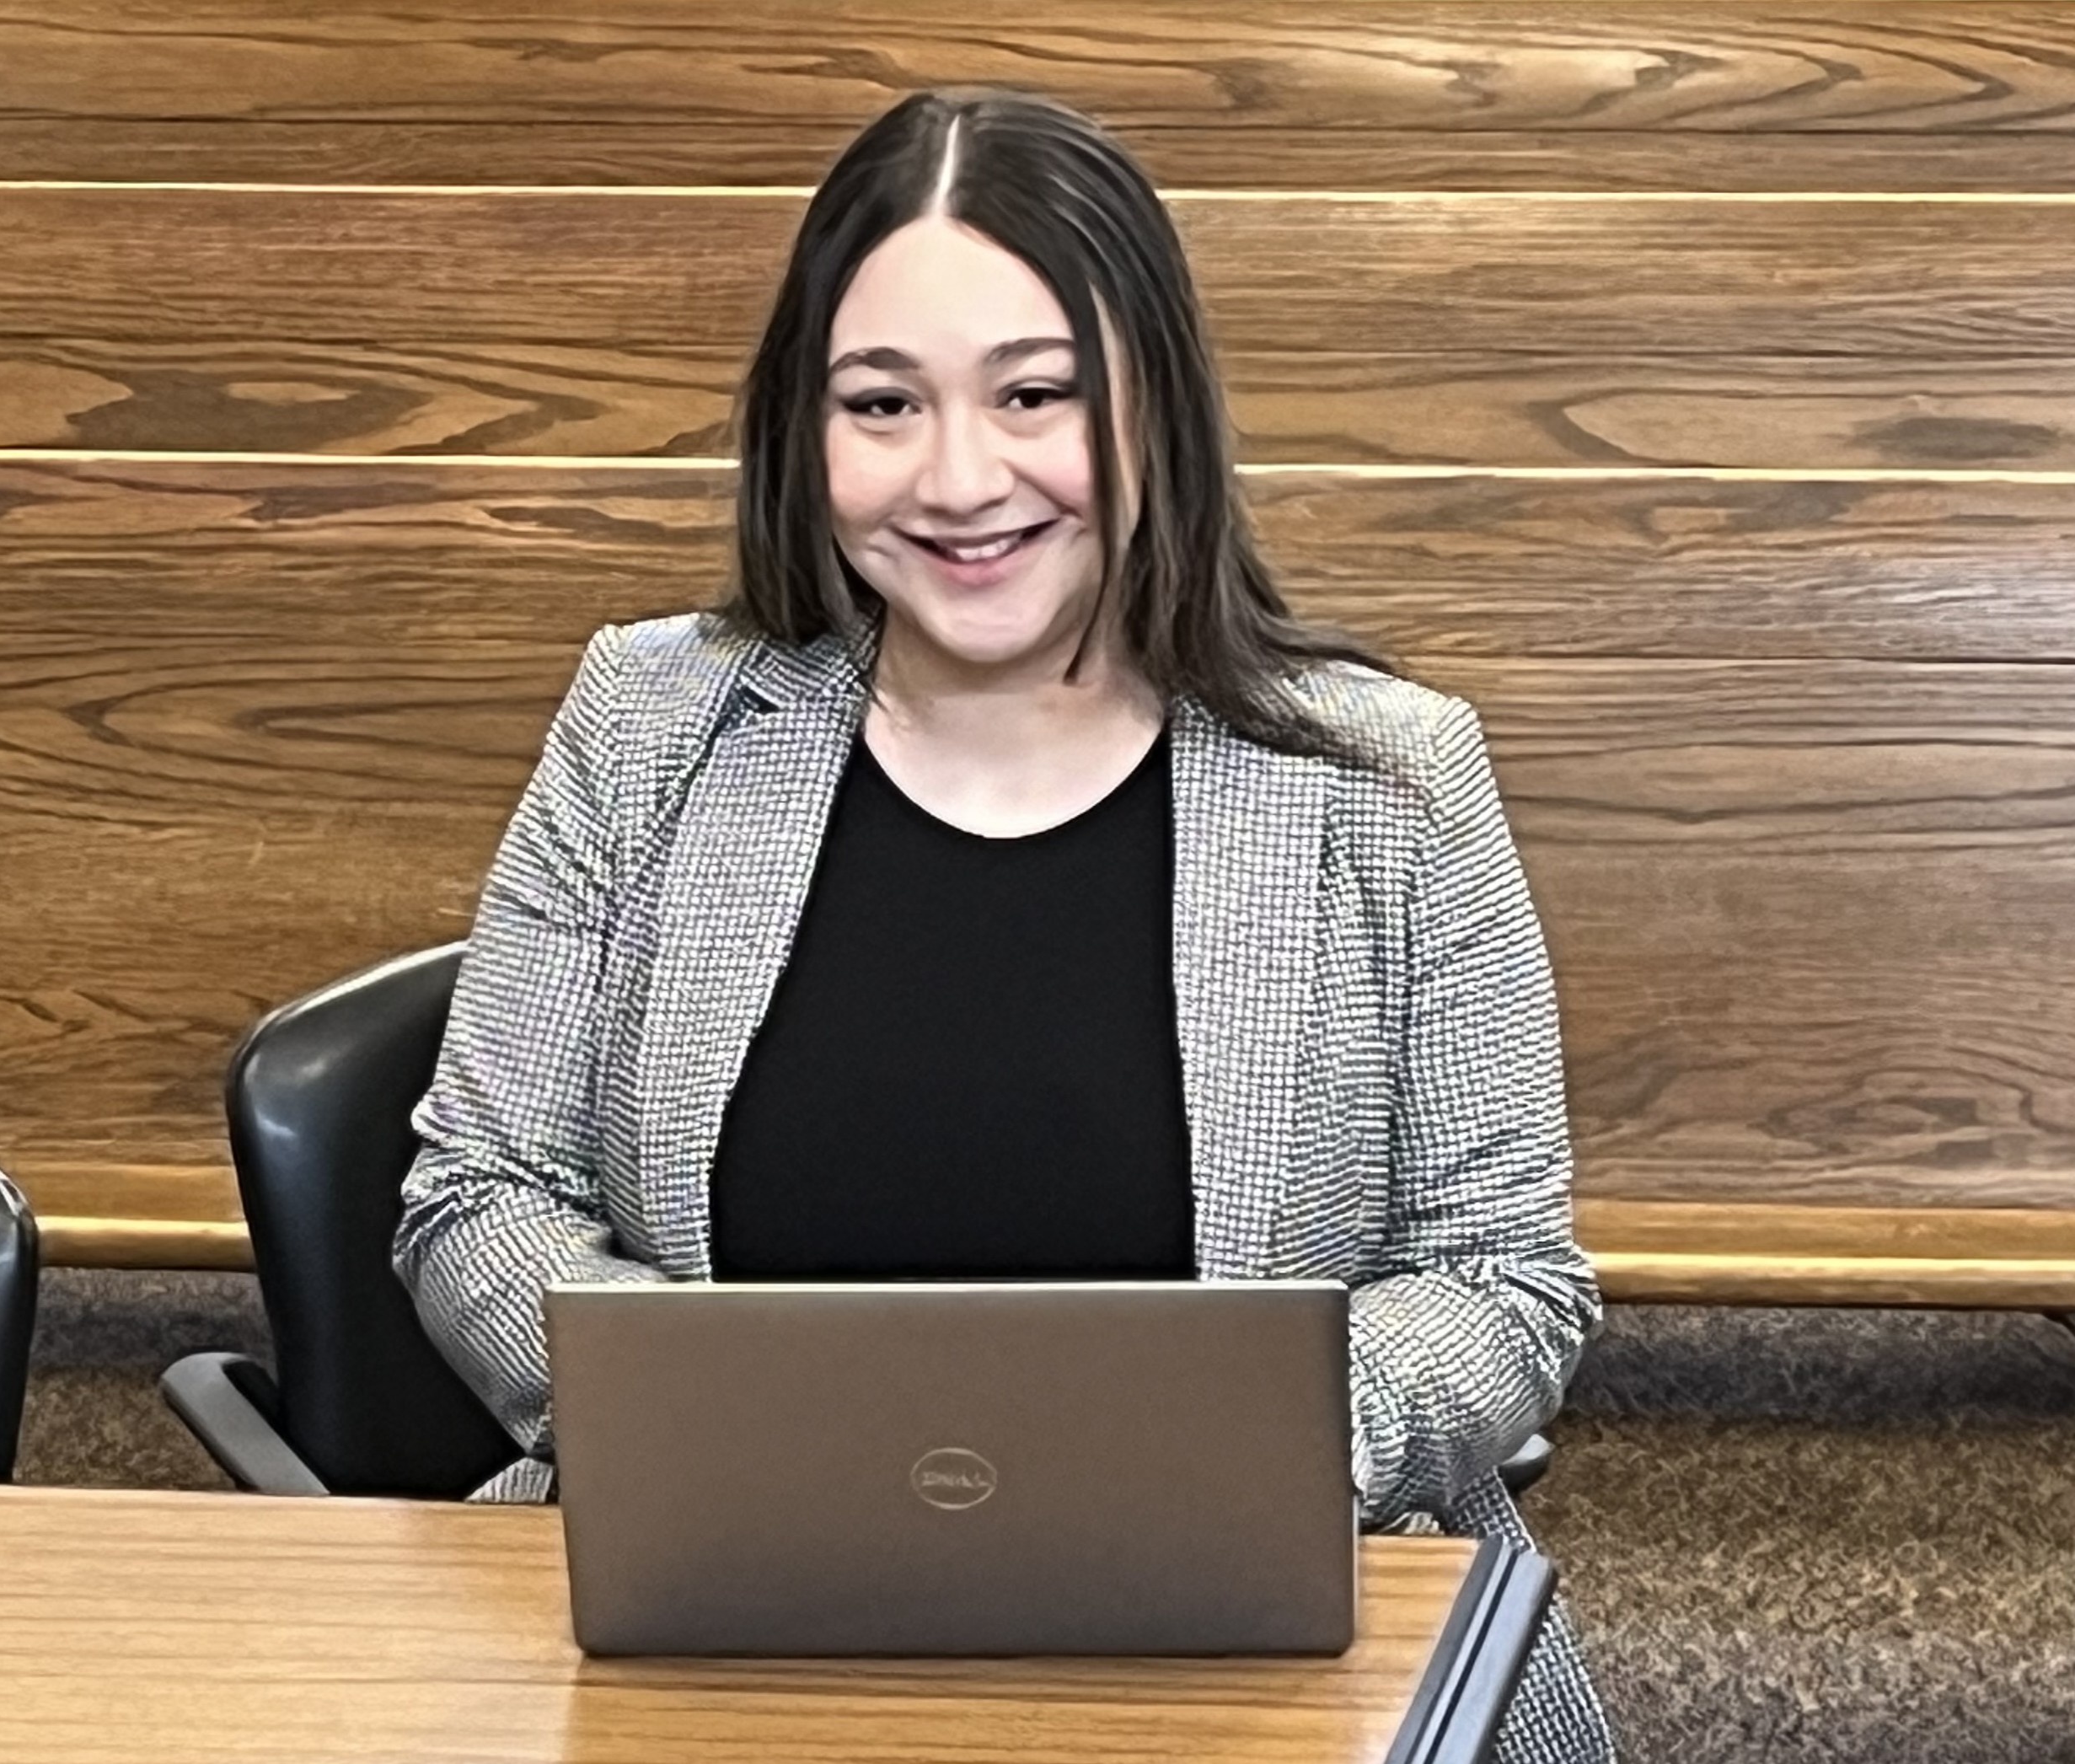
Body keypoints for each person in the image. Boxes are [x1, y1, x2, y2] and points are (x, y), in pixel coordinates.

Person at [394, 88, 1613, 1762]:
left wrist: (1212, 1457)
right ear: (800, 430)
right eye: (880, 403)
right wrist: (725, 1442)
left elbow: (1499, 1278)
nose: (958, 480)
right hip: (721, 1621)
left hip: (1255, 1636)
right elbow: (478, 1192)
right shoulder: (645, 728)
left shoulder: (1384, 780)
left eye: (1034, 395)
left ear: (1151, 410)